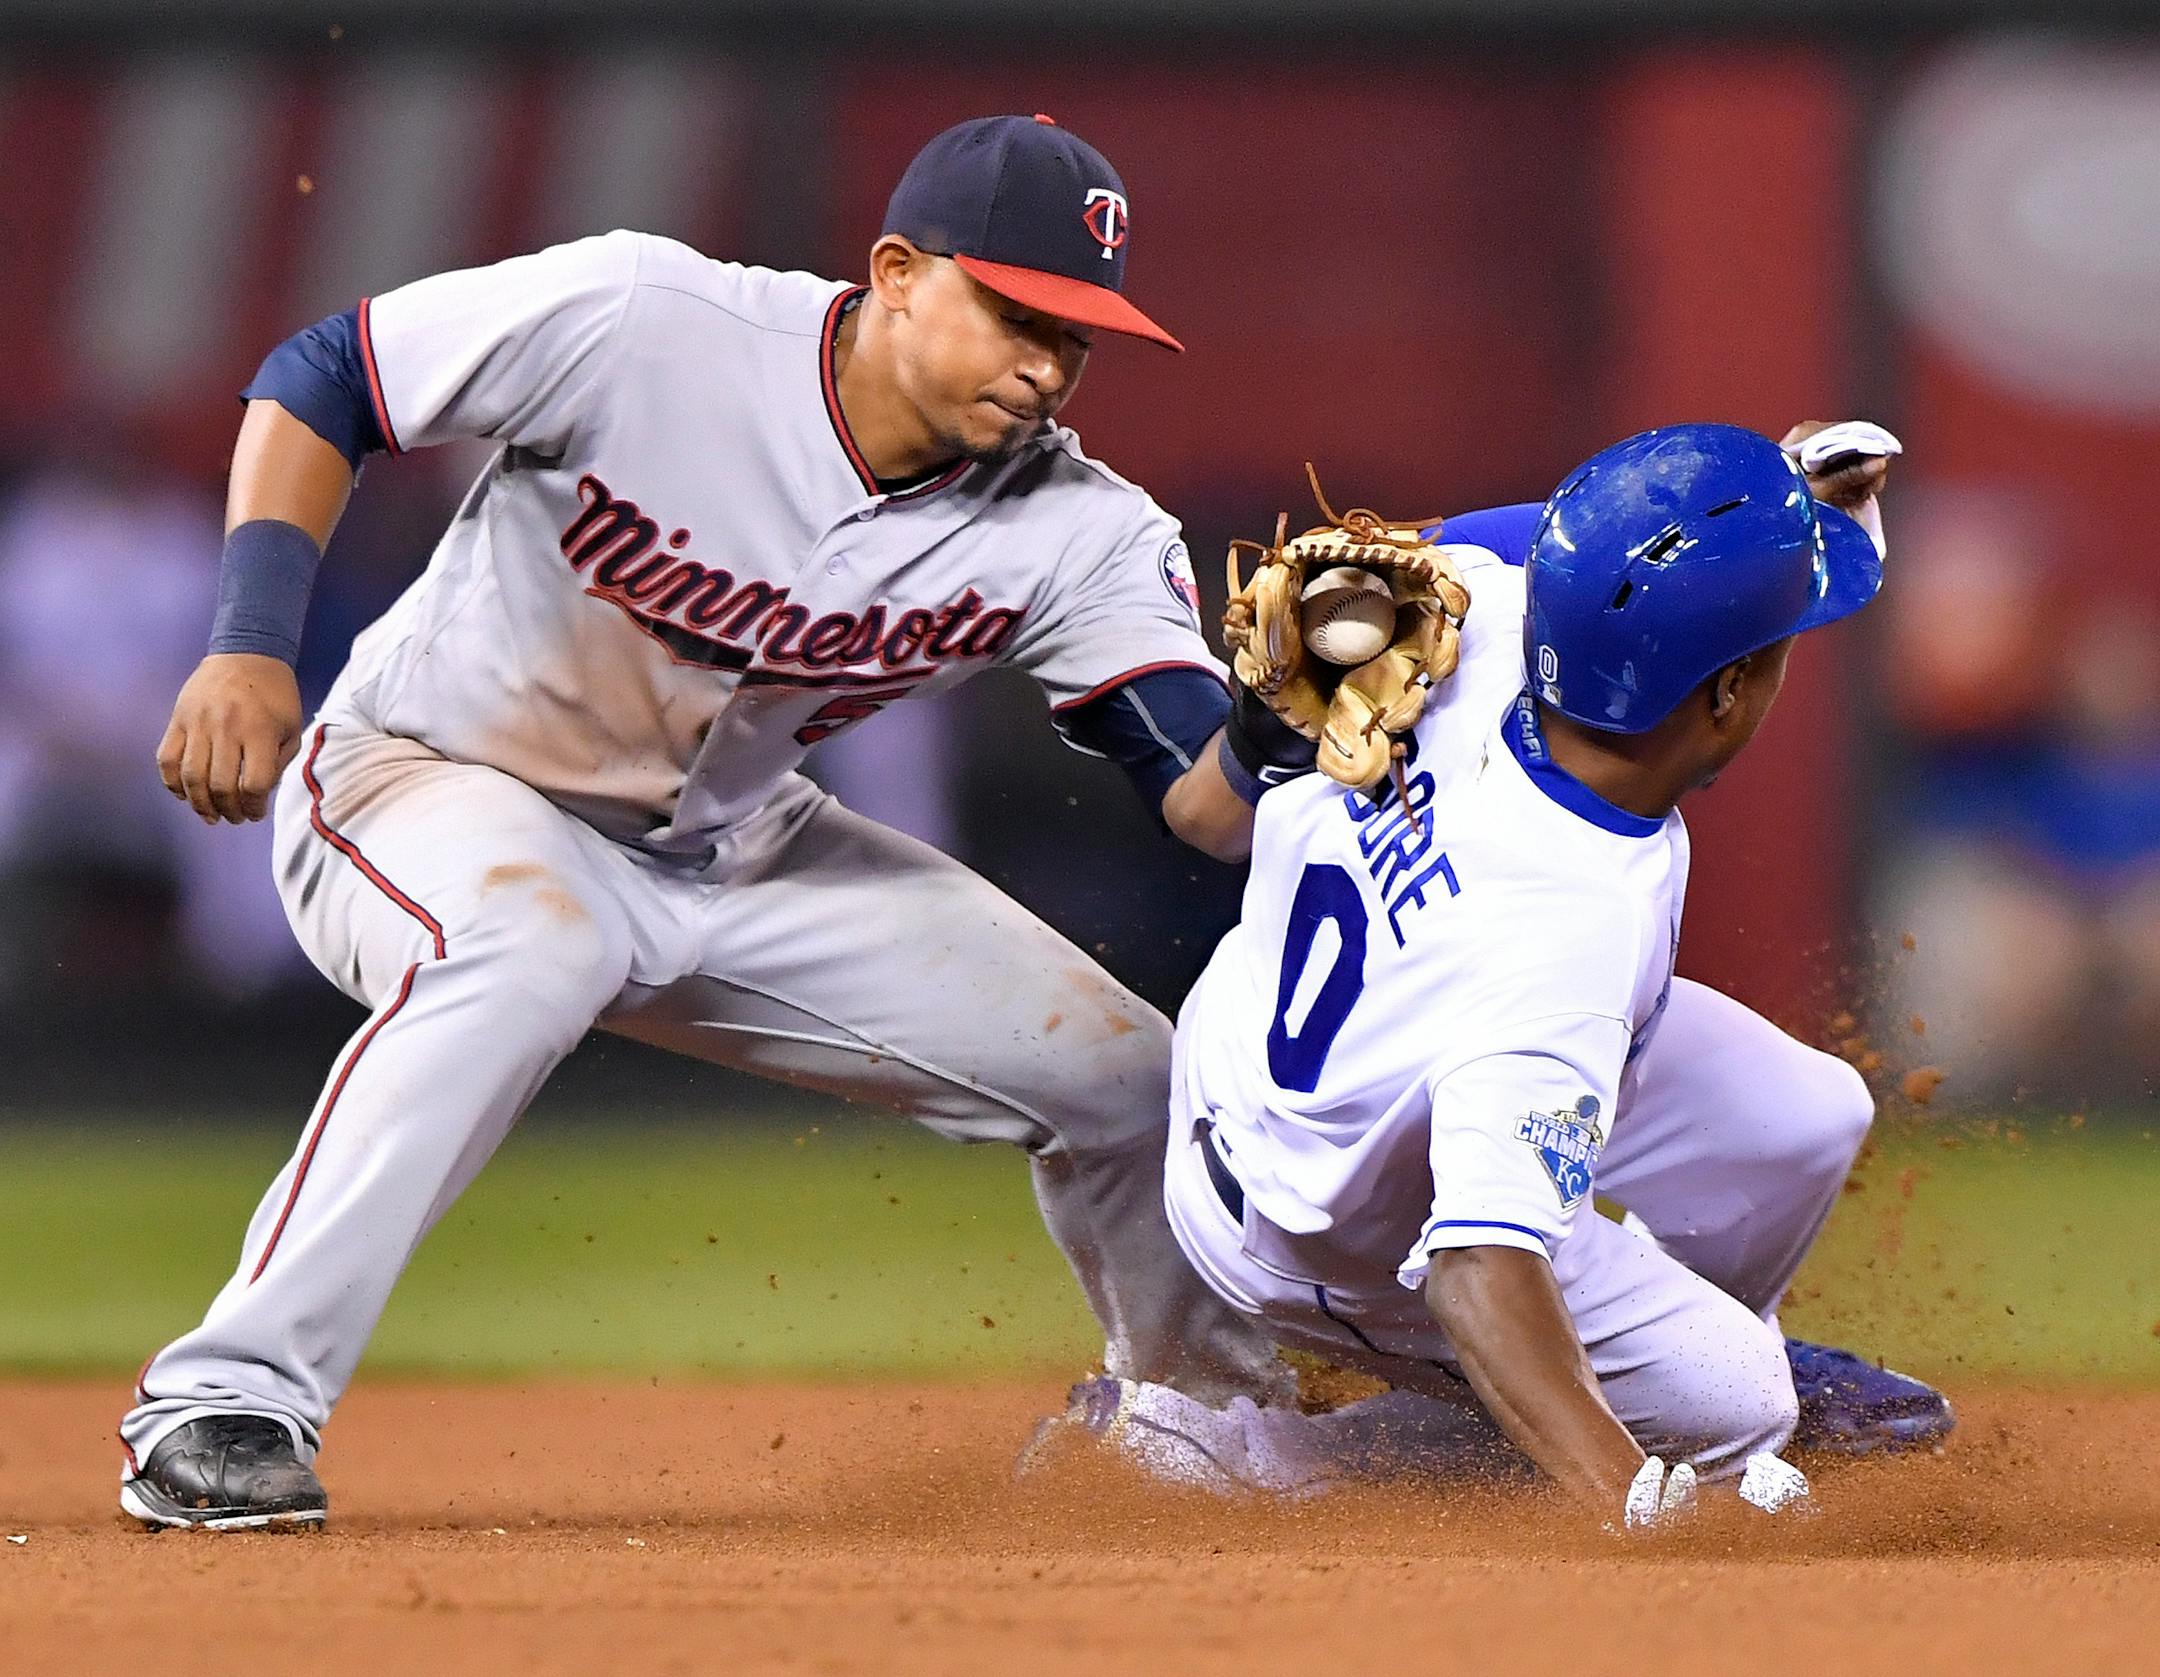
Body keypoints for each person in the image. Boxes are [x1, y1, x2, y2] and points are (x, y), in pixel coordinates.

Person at [119, 113, 1300, 1530]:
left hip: (733, 849)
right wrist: (252, 642)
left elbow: (1201, 799)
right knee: (528, 939)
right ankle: (224, 1398)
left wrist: (1283, 723)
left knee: (1127, 1078)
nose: (1047, 364)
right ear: (900, 271)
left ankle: (1210, 1422)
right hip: (429, 779)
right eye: (1016, 314)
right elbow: (331, 375)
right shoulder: (650, 319)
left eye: (1077, 336)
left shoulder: (1081, 528)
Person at [1046, 422, 1954, 1523]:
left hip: (1304, 1043)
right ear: (1720, 699)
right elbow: (1480, 1270)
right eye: (1777, 645)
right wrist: (1629, 1498)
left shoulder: (1492, 601)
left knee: (1800, 1116)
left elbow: (1604, 562)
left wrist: (1767, 492)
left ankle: (1641, 1362)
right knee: (1740, 1407)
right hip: (1309, 1223)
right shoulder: (1566, 933)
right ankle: (1242, 1455)